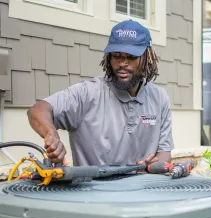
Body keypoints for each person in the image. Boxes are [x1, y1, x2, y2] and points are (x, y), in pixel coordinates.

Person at [27, 19, 174, 166]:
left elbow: (164, 151)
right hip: (92, 188)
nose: (122, 63)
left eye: (131, 57)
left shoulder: (159, 98)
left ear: (148, 58)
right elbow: (38, 110)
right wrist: (51, 134)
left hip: (144, 187)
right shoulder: (87, 93)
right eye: (116, 55)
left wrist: (155, 165)